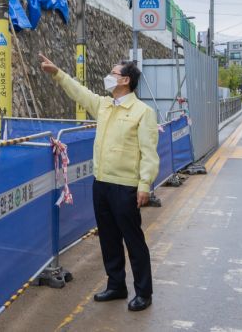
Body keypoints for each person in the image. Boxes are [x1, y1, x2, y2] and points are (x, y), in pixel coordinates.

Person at [39, 54, 159, 311]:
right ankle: (116, 285)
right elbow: (80, 93)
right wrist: (57, 73)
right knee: (108, 238)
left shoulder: (143, 112)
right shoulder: (104, 105)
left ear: (125, 80)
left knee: (133, 240)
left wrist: (144, 184)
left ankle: (144, 292)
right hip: (101, 183)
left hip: (126, 186)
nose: (108, 77)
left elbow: (149, 152)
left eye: (113, 73)